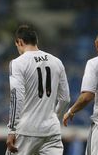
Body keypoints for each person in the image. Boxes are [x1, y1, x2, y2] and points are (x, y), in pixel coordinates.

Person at [5, 25, 70, 155]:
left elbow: (17, 97)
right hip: (51, 131)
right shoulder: (57, 62)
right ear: (36, 41)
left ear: (19, 42)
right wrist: (53, 118)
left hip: (26, 130)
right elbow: (65, 99)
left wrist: (12, 129)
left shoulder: (18, 63)